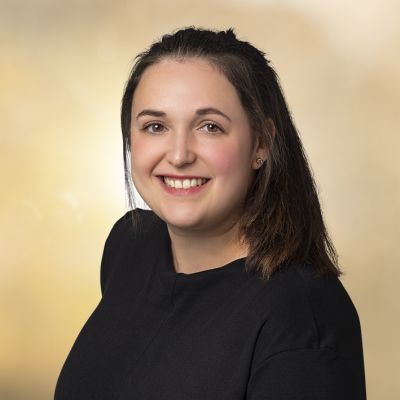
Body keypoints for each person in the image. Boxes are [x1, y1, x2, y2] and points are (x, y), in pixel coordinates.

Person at [54, 27, 366, 399]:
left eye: (210, 127)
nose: (179, 155)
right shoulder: (131, 245)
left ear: (261, 143)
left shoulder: (302, 320)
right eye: (155, 126)